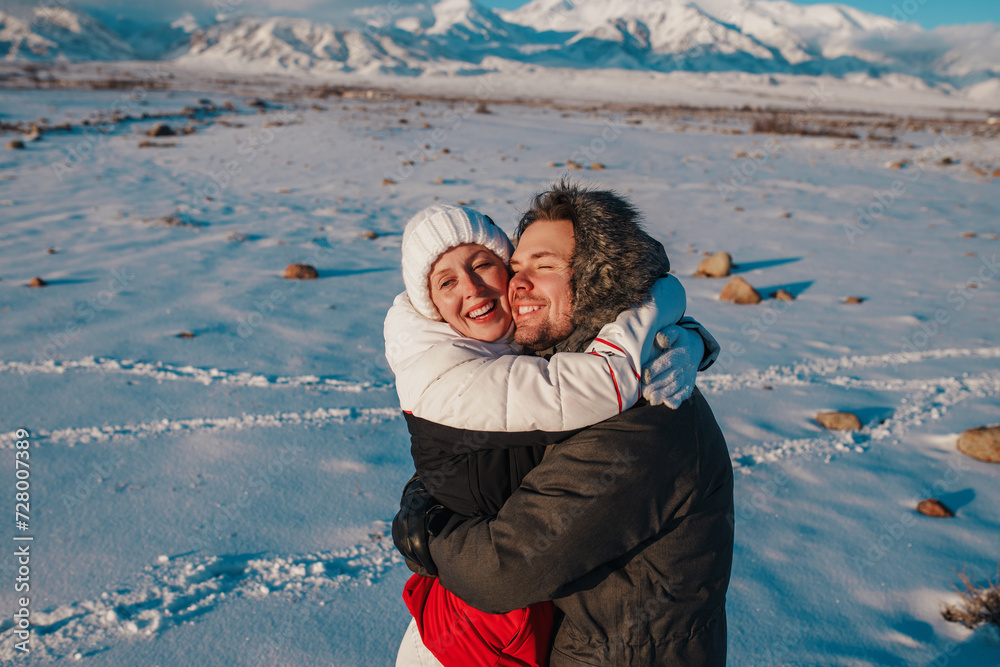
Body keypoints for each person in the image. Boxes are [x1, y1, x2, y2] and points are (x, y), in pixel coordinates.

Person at [394, 182, 735, 666]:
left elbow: (503, 570)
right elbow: (493, 449)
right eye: (516, 267)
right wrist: (426, 491)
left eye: (545, 266)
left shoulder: (639, 420)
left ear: (599, 279)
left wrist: (430, 533)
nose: (517, 284)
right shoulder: (547, 369)